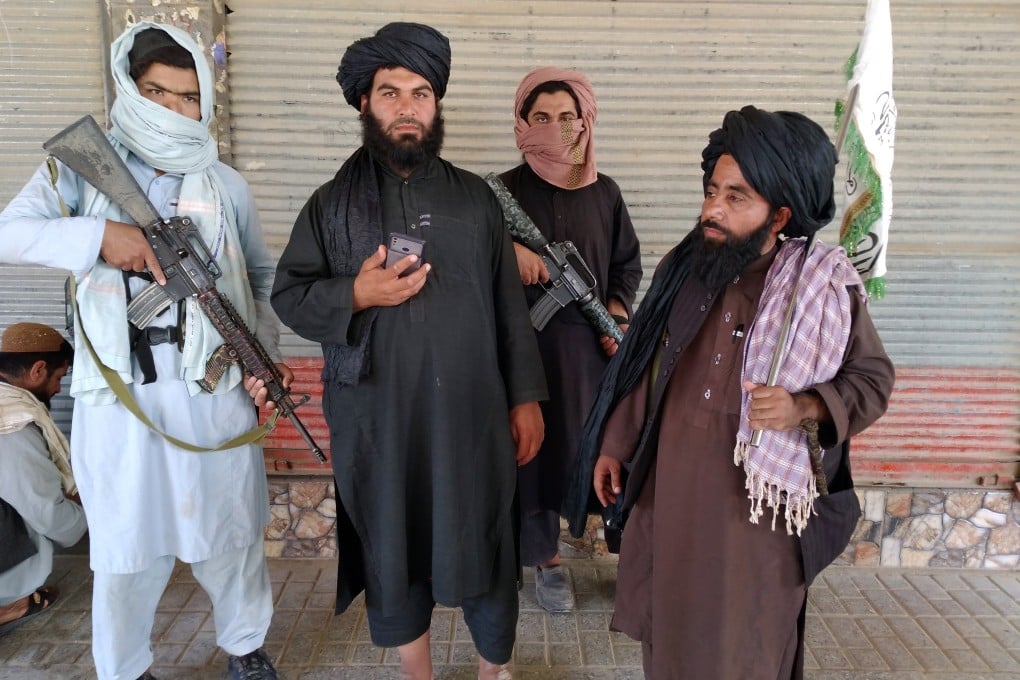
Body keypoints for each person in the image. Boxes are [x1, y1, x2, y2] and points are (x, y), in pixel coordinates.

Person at [566, 105, 895, 679]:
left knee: (746, 647)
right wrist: (615, 444)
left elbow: (872, 381)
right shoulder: (685, 268)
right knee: (670, 643)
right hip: (671, 500)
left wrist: (804, 406)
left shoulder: (818, 288)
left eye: (736, 197)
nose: (712, 208)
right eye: (713, 190)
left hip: (756, 524)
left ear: (780, 214)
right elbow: (648, 365)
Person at [0, 23, 286, 680]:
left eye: (188, 96)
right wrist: (101, 236)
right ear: (129, 88)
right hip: (120, 401)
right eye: (157, 92)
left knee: (231, 535)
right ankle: (124, 668)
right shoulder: (76, 173)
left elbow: (261, 280)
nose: (174, 109)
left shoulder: (225, 184)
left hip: (212, 392)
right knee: (125, 553)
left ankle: (245, 645)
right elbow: (11, 234)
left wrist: (259, 360)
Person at [262, 21, 546, 680]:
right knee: (396, 546)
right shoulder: (331, 207)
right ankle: (416, 673)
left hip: (471, 422)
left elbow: (509, 307)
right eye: (390, 93)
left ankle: (491, 670)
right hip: (378, 423)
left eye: (421, 92)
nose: (407, 107)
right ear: (365, 103)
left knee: (485, 540)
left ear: (438, 104)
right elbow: (288, 296)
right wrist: (355, 294)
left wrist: (527, 397)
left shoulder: (476, 200)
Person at [498, 67, 642, 612]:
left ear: (584, 122)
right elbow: (475, 268)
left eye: (566, 118)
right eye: (541, 118)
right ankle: (546, 562)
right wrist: (510, 258)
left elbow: (627, 264)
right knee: (533, 459)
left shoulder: (604, 193)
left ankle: (629, 558)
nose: (555, 129)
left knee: (608, 454)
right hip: (524, 357)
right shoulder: (502, 193)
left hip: (593, 357)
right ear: (521, 123)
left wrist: (617, 311)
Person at [0, 322, 86, 637]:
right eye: (59, 377)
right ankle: (11, 604)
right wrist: (85, 517)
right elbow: (43, 510)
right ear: (38, 370)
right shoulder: (12, 421)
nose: (59, 390)